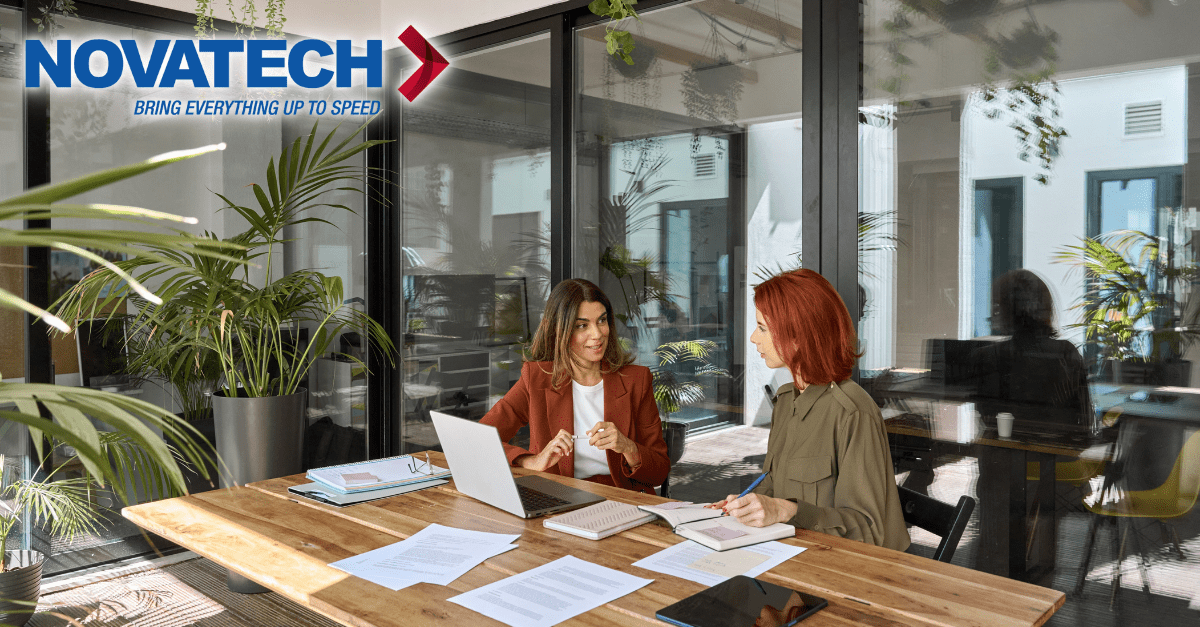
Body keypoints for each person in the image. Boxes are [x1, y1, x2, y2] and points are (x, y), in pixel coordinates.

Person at [712, 269, 910, 550]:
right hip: (795, 556)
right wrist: (749, 504)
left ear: (799, 336)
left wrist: (787, 511)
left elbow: (869, 531)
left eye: (763, 328)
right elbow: (773, 481)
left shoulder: (853, 413)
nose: (754, 338)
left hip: (849, 576)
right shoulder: (786, 400)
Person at [481, 278, 670, 494]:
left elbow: (659, 472)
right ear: (560, 331)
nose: (597, 334)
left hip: (622, 500)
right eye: (582, 325)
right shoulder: (536, 378)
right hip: (559, 499)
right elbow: (481, 438)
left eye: (601, 320)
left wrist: (628, 447)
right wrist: (531, 461)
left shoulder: (636, 380)